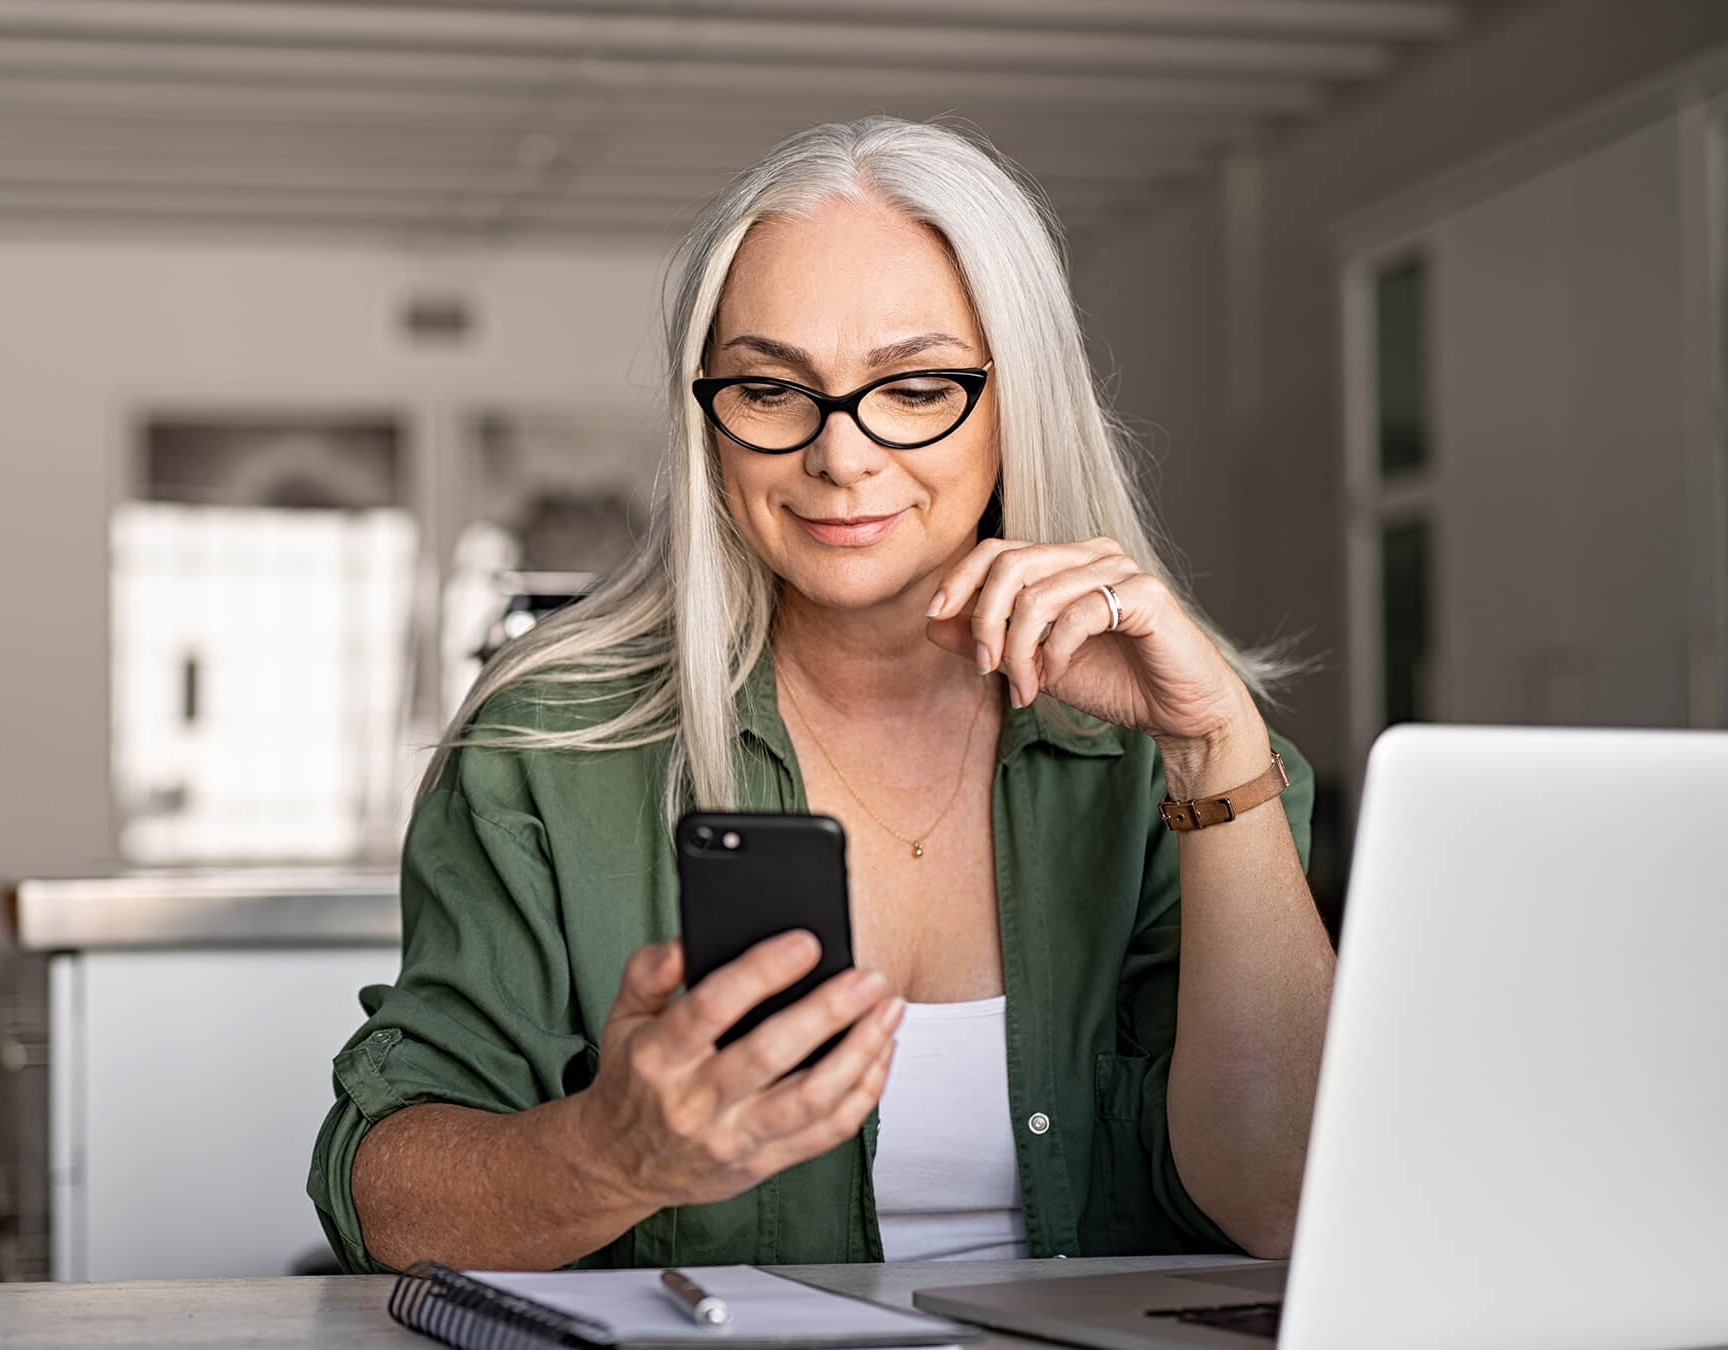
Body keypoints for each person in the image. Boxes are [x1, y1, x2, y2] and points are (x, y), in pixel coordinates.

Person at [308, 116, 1335, 1274]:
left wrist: (1215, 755)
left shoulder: (1185, 760)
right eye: (769, 390)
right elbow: (385, 1198)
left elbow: (1288, 1205)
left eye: (914, 388)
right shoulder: (549, 745)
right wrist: (611, 1154)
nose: (839, 456)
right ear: (709, 422)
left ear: (1017, 399)